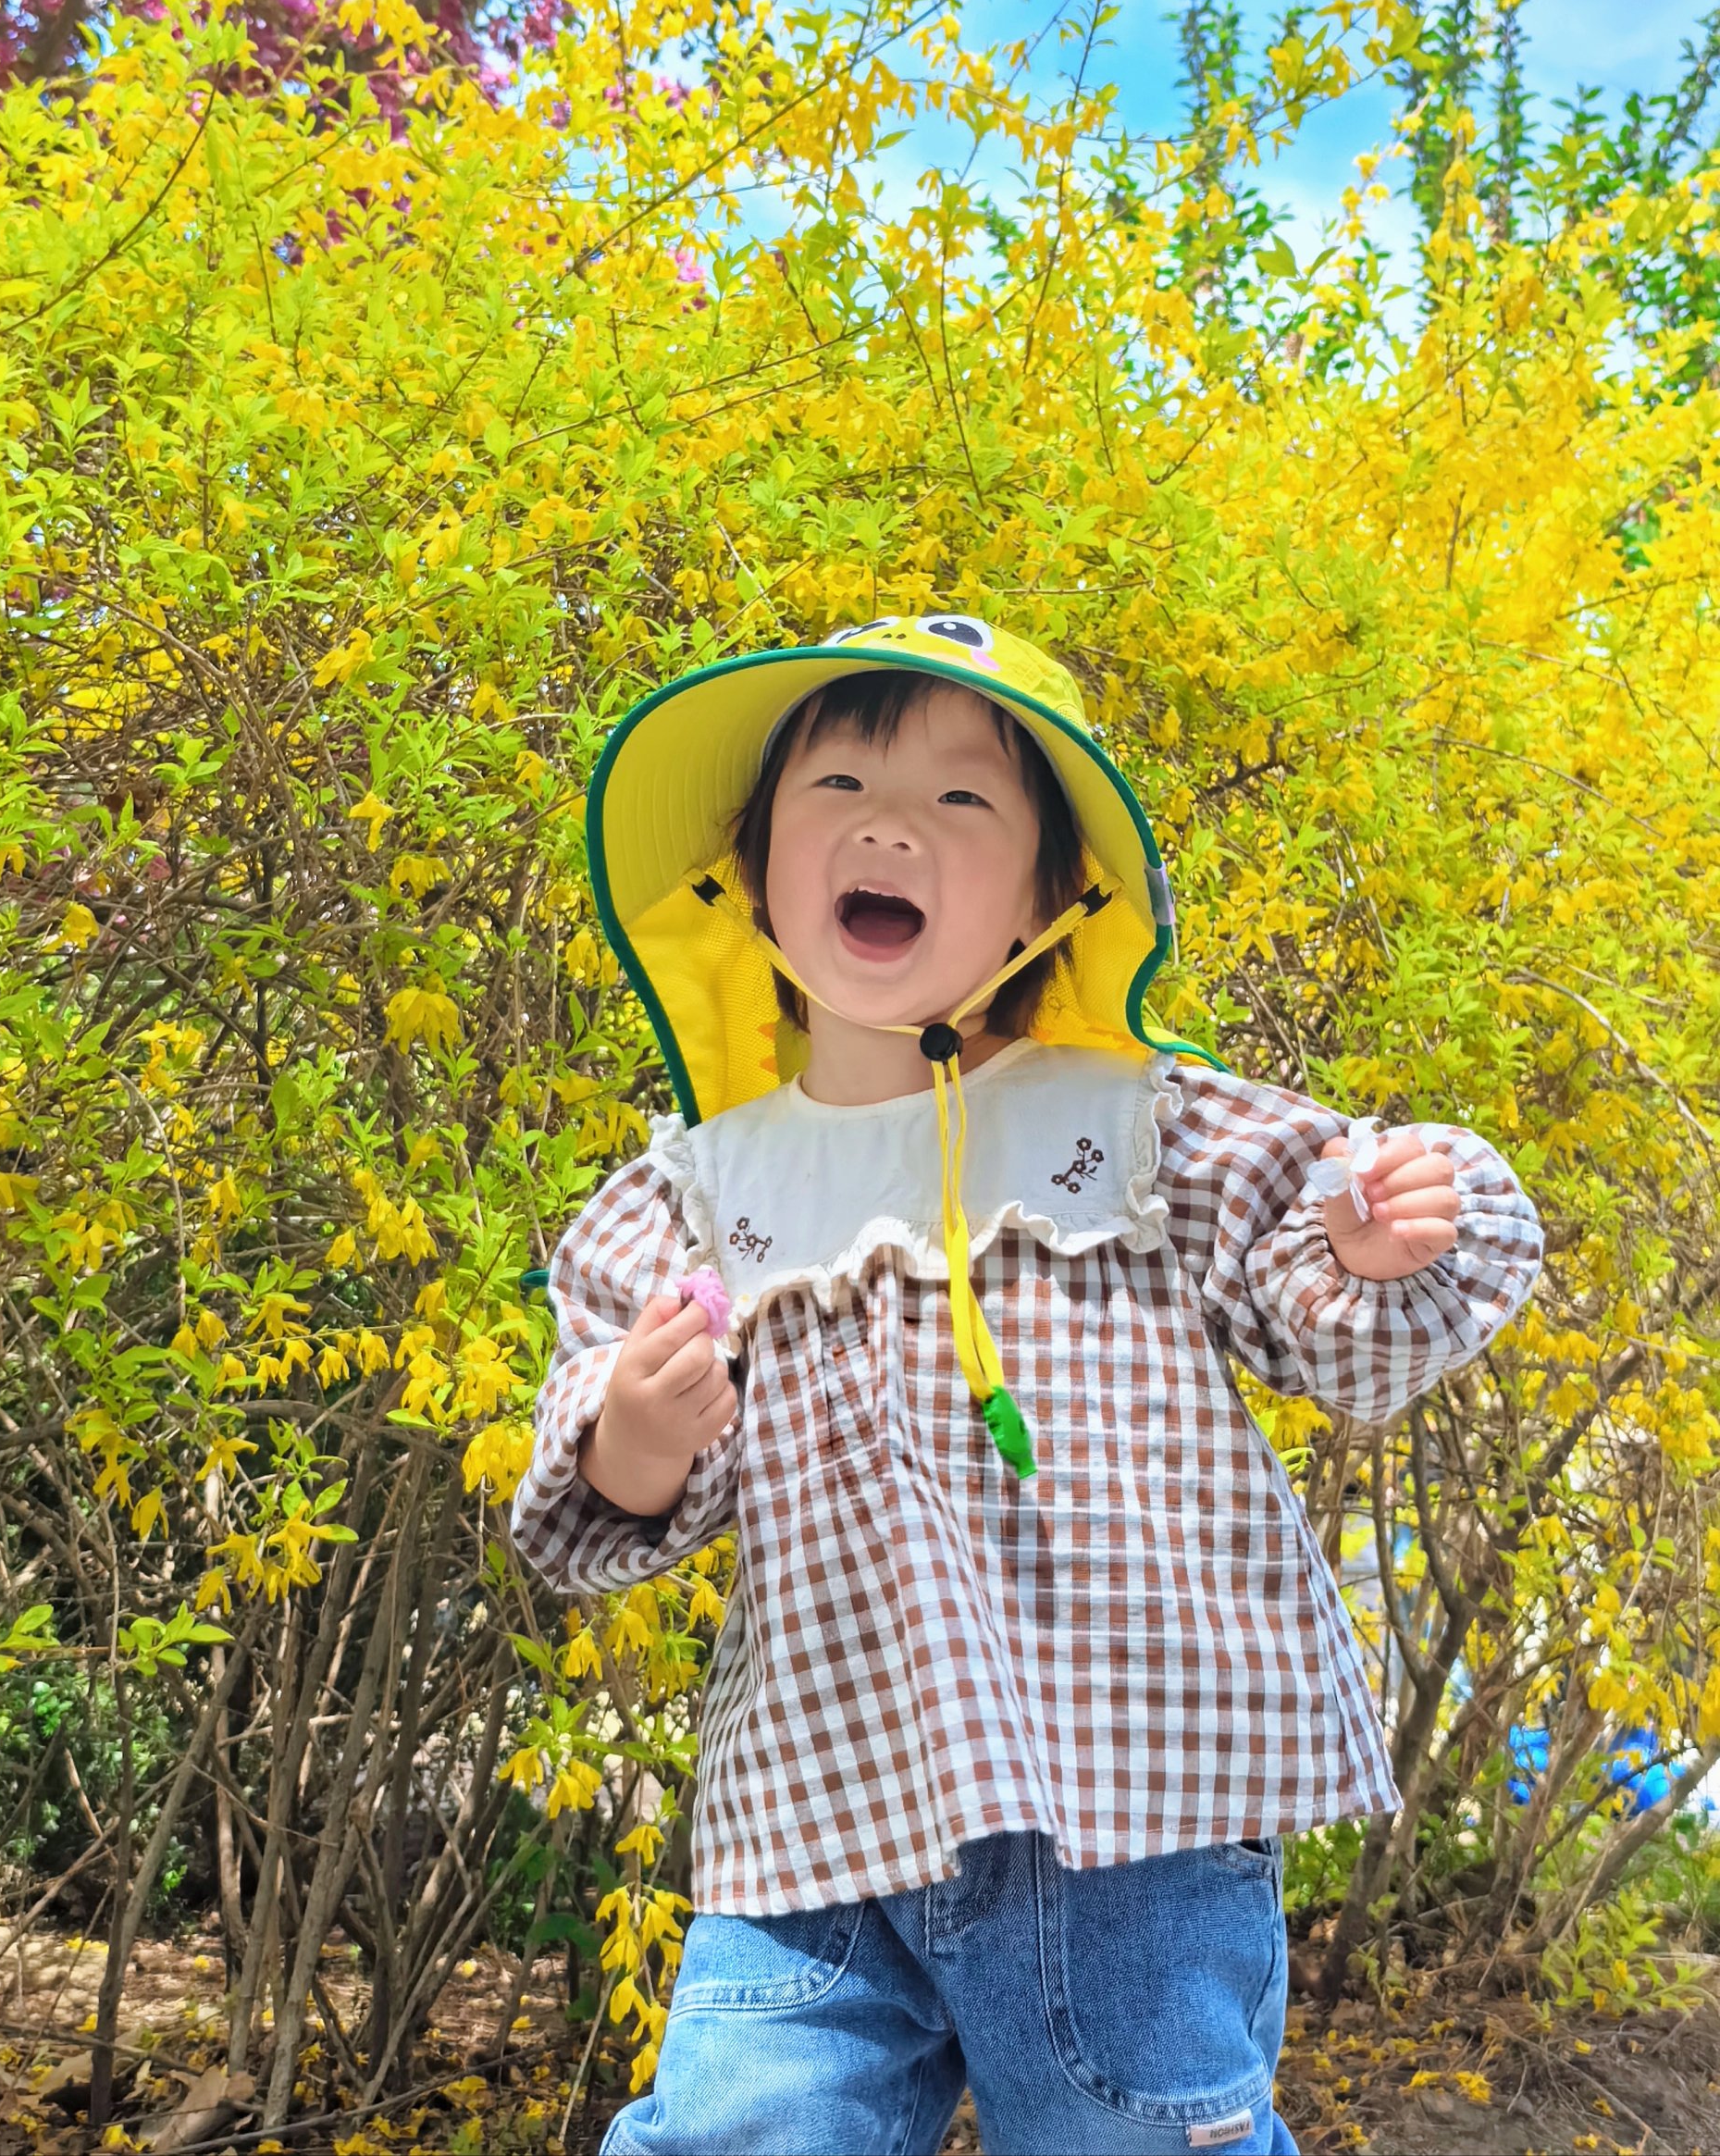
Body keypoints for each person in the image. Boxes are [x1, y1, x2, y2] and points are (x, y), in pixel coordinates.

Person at [511, 615, 1543, 2156]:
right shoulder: (701, 1194)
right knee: (739, 2137)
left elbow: (1320, 1285)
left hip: (1134, 1798)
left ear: (1054, 899)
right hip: (815, 1803)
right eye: (840, 784)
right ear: (751, 867)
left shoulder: (1134, 1126)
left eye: (960, 802)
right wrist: (637, 1437)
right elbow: (615, 1486)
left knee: (1135, 2135)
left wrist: (1394, 1226)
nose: (887, 825)